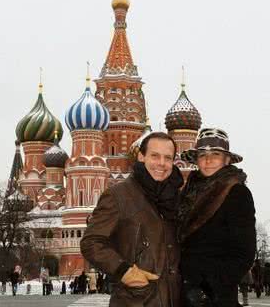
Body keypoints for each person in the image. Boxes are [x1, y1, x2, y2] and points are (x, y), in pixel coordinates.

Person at [81, 132, 184, 307]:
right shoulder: (118, 195)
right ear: (141, 157)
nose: (161, 163)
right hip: (136, 300)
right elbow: (91, 242)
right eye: (155, 156)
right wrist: (123, 271)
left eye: (168, 158)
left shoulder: (175, 198)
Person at [177, 128, 256, 307]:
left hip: (215, 297)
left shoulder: (236, 192)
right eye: (202, 154)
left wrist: (209, 288)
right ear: (197, 160)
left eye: (216, 154)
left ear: (227, 159)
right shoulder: (188, 191)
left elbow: (244, 253)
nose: (208, 159)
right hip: (184, 290)